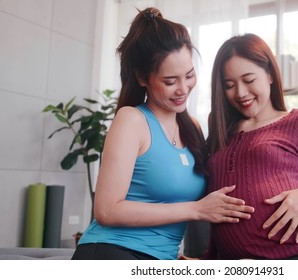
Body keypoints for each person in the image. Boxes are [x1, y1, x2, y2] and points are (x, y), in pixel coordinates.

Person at [71, 7, 254, 260]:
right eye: (170, 81)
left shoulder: (193, 128)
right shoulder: (132, 120)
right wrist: (196, 210)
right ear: (142, 78)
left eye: (189, 75)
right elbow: (107, 210)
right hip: (111, 251)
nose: (183, 88)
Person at [204, 33, 298, 259]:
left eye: (249, 80)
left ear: (269, 74)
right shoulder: (220, 127)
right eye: (229, 85)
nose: (240, 93)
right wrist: (208, 259)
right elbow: (221, 206)